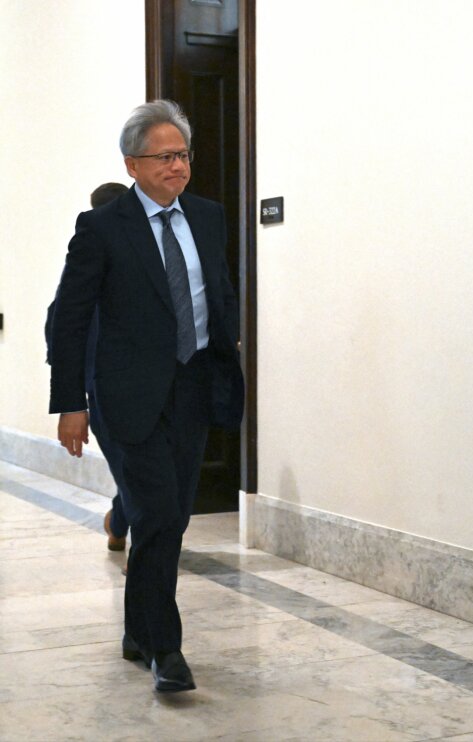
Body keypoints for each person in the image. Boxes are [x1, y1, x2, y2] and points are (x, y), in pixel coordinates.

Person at [49, 100, 244, 693]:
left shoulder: (208, 217)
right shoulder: (103, 228)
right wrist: (70, 401)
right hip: (126, 395)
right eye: (164, 157)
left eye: (183, 154)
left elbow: (219, 291)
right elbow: (70, 318)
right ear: (132, 164)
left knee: (171, 518)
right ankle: (167, 649)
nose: (178, 167)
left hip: (193, 387)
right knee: (157, 512)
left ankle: (138, 628)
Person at [46, 182, 131, 552]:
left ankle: (120, 520)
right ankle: (138, 538)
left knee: (137, 469)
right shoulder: (88, 254)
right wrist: (73, 402)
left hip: (136, 382)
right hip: (103, 387)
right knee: (131, 469)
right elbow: (63, 323)